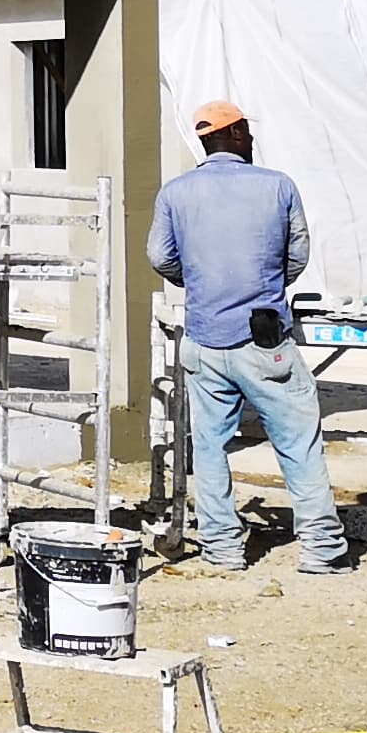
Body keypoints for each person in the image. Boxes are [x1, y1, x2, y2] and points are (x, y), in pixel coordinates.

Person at [147, 97, 348, 575]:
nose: (251, 140)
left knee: (212, 448)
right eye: (247, 132)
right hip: (265, 341)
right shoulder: (277, 187)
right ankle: (321, 549)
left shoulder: (176, 193)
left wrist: (196, 280)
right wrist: (267, 284)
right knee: (298, 441)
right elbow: (296, 255)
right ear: (234, 134)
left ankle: (222, 549)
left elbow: (160, 257)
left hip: (204, 339)